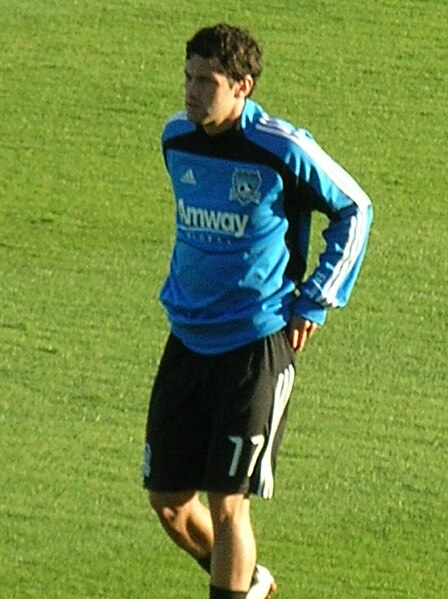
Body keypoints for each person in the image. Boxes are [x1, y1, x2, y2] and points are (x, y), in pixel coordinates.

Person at [142, 23, 372, 599]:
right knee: (169, 503)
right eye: (188, 77)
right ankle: (253, 587)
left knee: (227, 503)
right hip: (186, 338)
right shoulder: (177, 139)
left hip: (254, 346)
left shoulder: (281, 148)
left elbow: (355, 208)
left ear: (242, 86)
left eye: (207, 81)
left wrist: (316, 299)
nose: (192, 92)